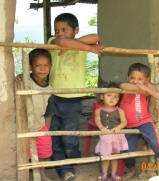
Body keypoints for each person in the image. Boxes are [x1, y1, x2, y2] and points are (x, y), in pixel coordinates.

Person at [48, 13, 104, 181]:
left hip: (73, 101)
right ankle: (64, 169)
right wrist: (90, 49)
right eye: (57, 30)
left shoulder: (79, 42)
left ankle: (73, 155)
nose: (59, 33)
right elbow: (59, 42)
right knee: (53, 135)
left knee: (68, 137)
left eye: (64, 29)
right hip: (52, 98)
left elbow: (96, 36)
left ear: (76, 30)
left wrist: (75, 45)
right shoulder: (53, 41)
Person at [119, 63, 159, 179]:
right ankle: (132, 169)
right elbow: (123, 86)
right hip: (127, 124)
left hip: (144, 122)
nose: (135, 81)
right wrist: (141, 87)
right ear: (127, 77)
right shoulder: (126, 84)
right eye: (132, 78)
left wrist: (147, 88)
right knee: (125, 150)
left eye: (140, 79)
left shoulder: (147, 86)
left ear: (147, 79)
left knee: (155, 144)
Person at [15, 48, 53, 180]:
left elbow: (49, 112)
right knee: (25, 152)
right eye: (38, 66)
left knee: (43, 151)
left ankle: (42, 174)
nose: (42, 69)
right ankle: (26, 175)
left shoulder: (49, 89)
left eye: (46, 65)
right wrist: (19, 77)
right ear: (31, 67)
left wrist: (46, 129)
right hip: (24, 125)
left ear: (50, 67)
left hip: (39, 125)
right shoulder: (26, 82)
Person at [94, 83, 128, 181]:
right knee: (105, 156)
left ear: (119, 99)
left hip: (116, 136)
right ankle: (104, 174)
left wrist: (119, 127)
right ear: (102, 96)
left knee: (114, 156)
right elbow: (98, 121)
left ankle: (113, 174)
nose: (112, 99)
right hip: (105, 137)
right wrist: (101, 128)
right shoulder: (98, 111)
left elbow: (124, 122)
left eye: (116, 97)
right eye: (109, 95)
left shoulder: (120, 111)